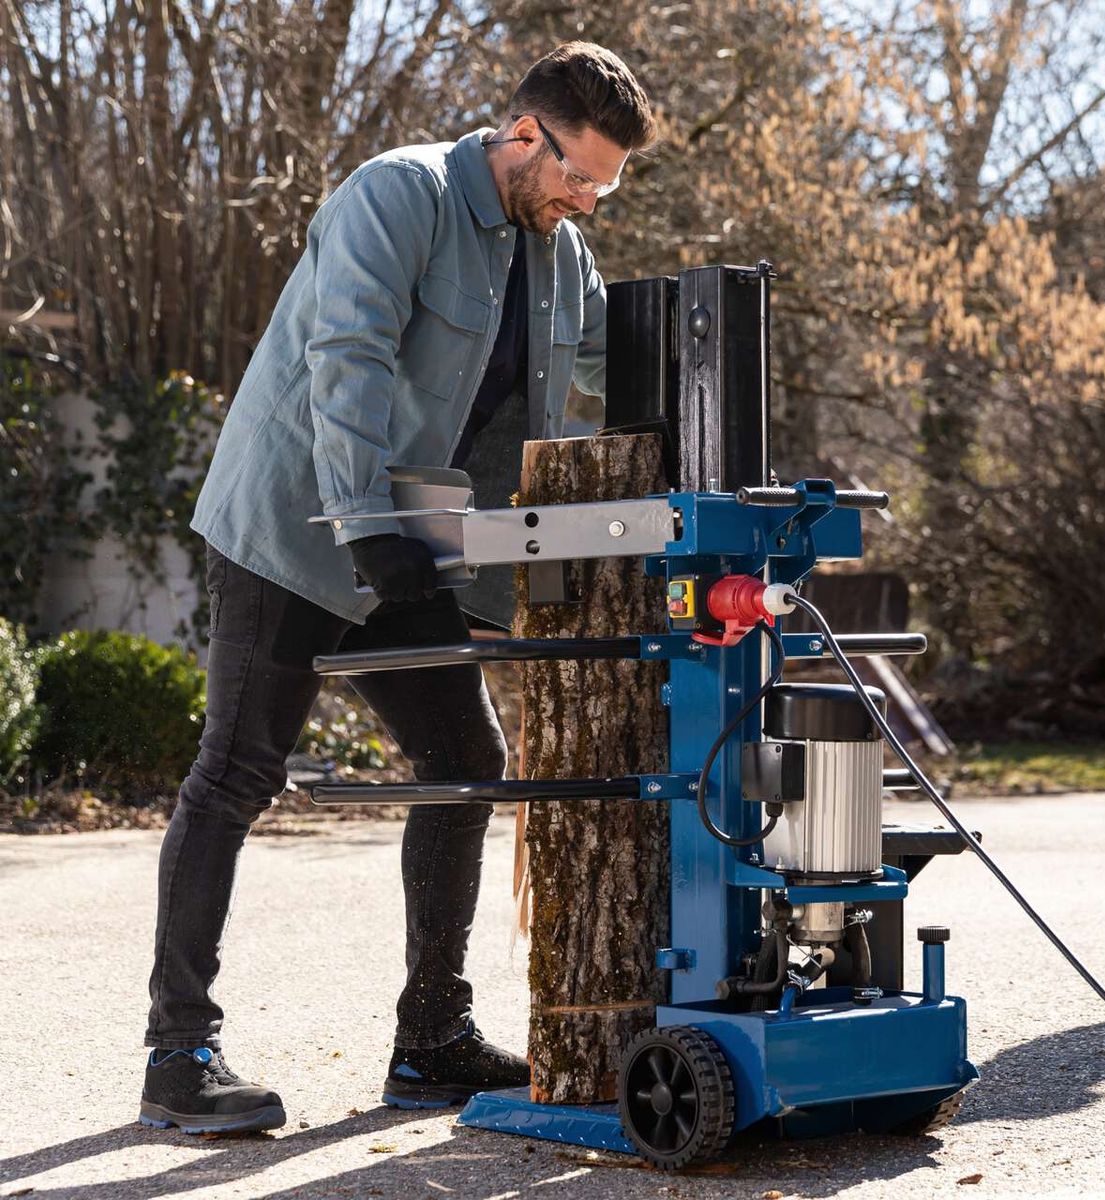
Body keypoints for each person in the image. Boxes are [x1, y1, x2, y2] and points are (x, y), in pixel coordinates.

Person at [138, 42, 656, 1134]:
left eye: (604, 188)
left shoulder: (562, 259)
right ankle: (177, 1055)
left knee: (464, 763)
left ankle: (430, 1040)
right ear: (525, 135)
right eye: (579, 176)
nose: (586, 201)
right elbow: (350, 357)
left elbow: (614, 378)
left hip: (407, 540)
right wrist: (365, 522)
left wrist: (715, 361)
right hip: (297, 524)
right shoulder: (400, 194)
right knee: (236, 772)